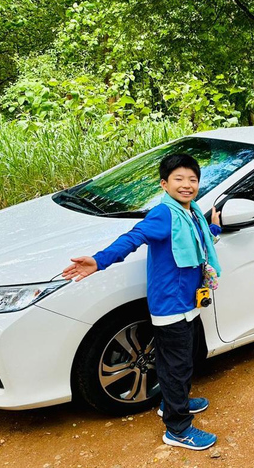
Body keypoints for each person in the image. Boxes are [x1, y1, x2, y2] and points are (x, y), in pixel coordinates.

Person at [61, 153, 222, 450]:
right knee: (177, 365)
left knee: (177, 359)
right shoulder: (164, 214)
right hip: (171, 304)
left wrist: (213, 228)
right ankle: (177, 428)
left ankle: (174, 402)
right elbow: (133, 238)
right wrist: (99, 260)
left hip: (187, 301)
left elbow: (198, 243)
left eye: (192, 179)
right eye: (179, 179)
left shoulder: (192, 211)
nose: (187, 185)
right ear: (164, 184)